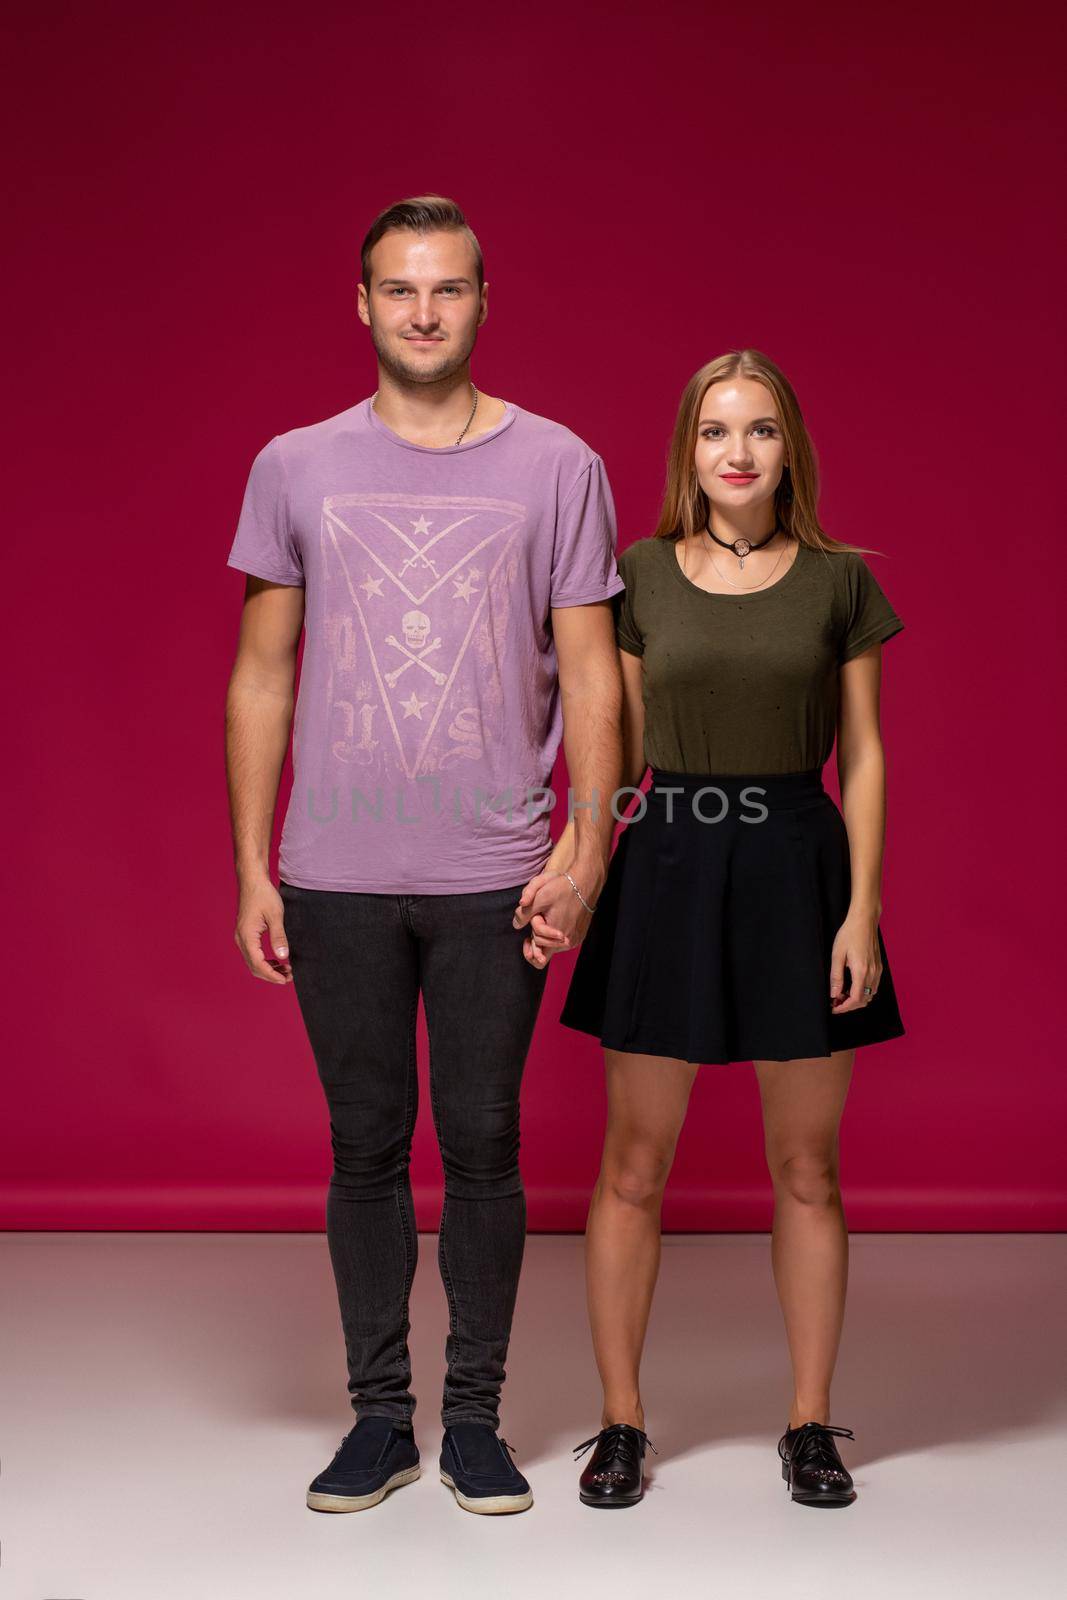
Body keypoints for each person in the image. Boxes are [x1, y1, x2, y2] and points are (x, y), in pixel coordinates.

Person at [224, 195, 624, 1516]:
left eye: (445, 287)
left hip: (493, 872)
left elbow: (590, 677)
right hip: (333, 870)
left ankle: (474, 1423)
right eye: (397, 288)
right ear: (360, 303)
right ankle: (378, 1419)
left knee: (488, 1147)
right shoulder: (293, 464)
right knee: (362, 1146)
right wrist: (250, 866)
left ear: (482, 298)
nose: (421, 311)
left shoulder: (558, 465)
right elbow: (261, 678)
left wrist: (584, 853)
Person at [515, 348, 905, 1509]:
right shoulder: (636, 573)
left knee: (806, 1167)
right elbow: (617, 749)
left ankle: (806, 1424)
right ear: (686, 450)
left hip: (796, 860)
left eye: (760, 431)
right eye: (714, 432)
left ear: (790, 447)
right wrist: (575, 859)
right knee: (632, 1166)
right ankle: (621, 1424)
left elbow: (867, 754)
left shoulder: (839, 581)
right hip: (671, 859)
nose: (737, 453)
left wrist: (862, 908)